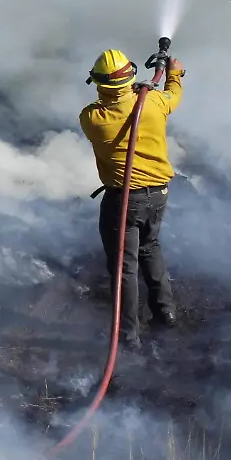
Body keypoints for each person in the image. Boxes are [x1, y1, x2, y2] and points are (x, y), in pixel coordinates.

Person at [79, 48, 185, 350]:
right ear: (131, 77)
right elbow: (172, 97)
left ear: (99, 84)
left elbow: (107, 106)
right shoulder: (153, 103)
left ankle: (128, 336)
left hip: (123, 201)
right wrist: (173, 73)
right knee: (150, 248)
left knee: (124, 268)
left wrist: (129, 93)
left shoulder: (92, 118)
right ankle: (166, 311)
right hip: (158, 196)